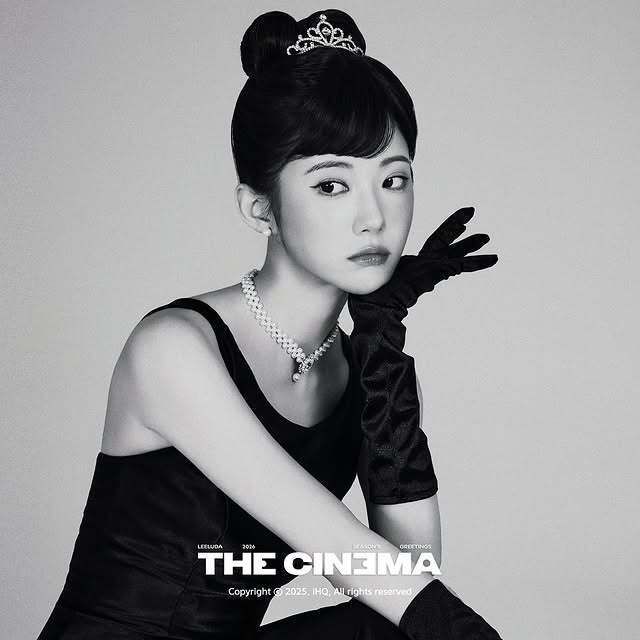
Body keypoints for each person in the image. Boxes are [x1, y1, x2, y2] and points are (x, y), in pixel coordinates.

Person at [37, 9, 503, 640]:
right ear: (260, 208)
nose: (375, 217)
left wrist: (380, 340)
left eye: (394, 180)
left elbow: (409, 576)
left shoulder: (370, 375)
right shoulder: (173, 350)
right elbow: (341, 549)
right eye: (332, 185)